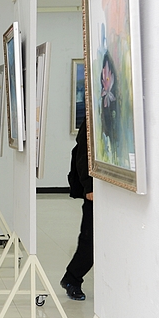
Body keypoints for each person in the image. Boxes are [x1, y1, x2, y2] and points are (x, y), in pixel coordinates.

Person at [61, 117, 93, 301]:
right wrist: (89, 187)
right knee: (90, 241)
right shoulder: (91, 120)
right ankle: (72, 278)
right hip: (95, 190)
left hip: (116, 189)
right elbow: (83, 156)